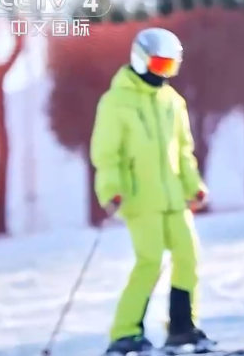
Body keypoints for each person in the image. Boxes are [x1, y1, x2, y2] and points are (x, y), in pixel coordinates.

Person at [91, 27, 214, 355]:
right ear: (141, 60)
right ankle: (125, 333)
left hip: (174, 197)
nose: (164, 74)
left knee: (188, 257)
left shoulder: (173, 102)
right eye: (160, 65)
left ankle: (182, 327)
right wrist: (111, 189)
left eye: (170, 67)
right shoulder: (116, 102)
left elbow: (183, 151)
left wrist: (194, 186)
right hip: (138, 197)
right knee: (150, 261)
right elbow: (107, 153)